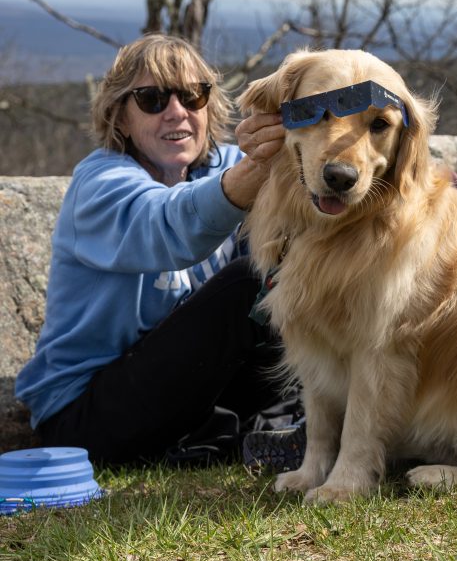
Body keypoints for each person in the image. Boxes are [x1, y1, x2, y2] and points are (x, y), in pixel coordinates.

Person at [14, 33, 291, 465]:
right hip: (84, 415)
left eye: (192, 95)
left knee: (293, 271)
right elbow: (170, 226)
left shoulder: (224, 165)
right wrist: (259, 170)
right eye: (152, 99)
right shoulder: (100, 185)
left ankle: (304, 425)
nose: (176, 111)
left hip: (181, 394)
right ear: (120, 118)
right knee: (248, 284)